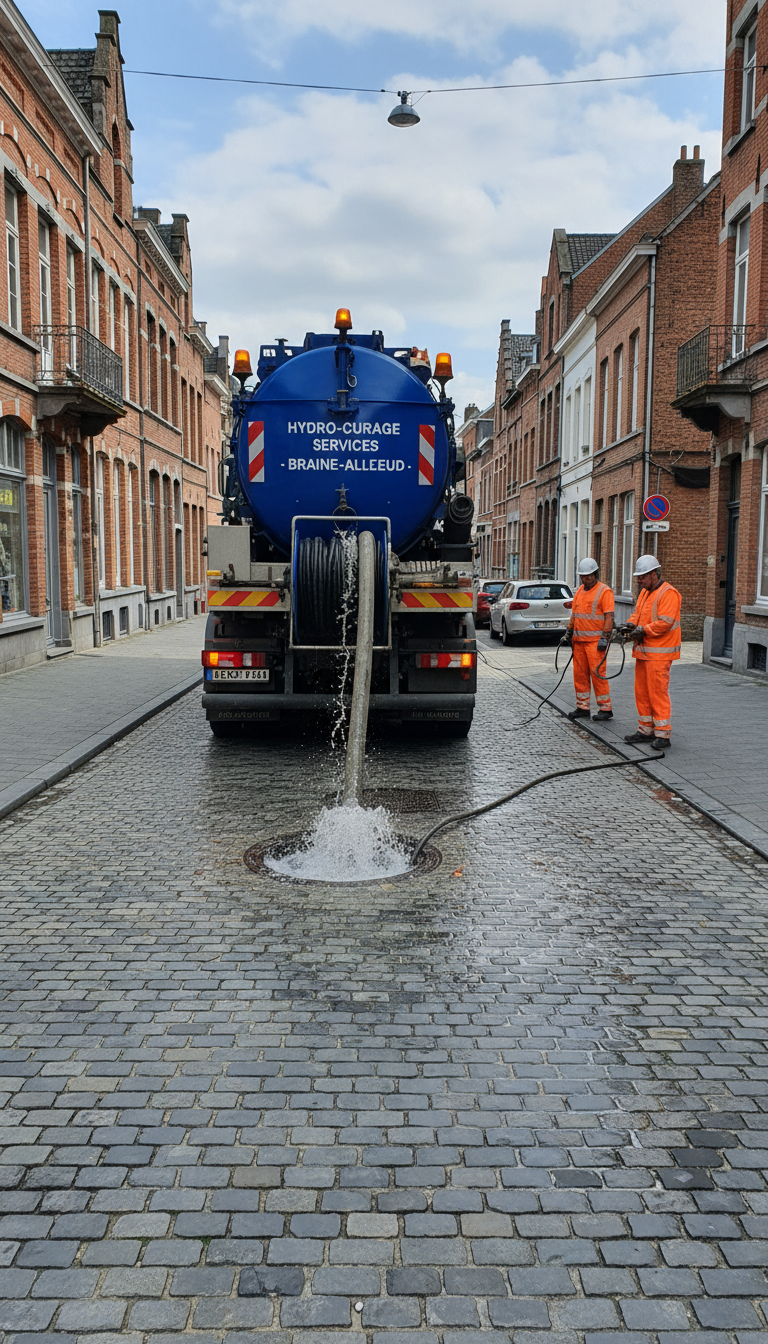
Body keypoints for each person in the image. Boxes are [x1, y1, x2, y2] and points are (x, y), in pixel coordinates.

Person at [623, 555, 681, 750]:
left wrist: (643, 630)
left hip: (659, 654)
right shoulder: (644, 593)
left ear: (654, 574)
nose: (639, 581)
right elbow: (637, 614)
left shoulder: (668, 593)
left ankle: (663, 734)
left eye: (642, 577)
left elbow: (665, 622)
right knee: (642, 691)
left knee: (657, 693)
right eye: (638, 577)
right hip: (644, 652)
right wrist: (630, 625)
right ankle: (646, 729)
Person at [564, 557, 615, 722]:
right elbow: (575, 614)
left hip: (595, 643)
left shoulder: (604, 591)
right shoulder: (579, 591)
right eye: (583, 576)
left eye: (589, 575)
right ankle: (582, 707)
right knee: (580, 675)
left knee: (597, 674)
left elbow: (609, 617)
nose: (586, 579)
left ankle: (605, 708)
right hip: (579, 642)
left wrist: (605, 637)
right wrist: (569, 631)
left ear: (595, 574)